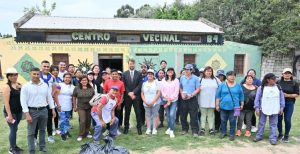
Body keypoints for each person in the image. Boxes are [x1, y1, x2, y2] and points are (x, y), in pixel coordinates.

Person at [21, 67, 56, 154]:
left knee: (43, 130)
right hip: (32, 111)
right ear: (30, 74)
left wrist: (53, 109)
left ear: (39, 74)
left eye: (37, 74)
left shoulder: (44, 85)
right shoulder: (26, 86)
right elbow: (23, 101)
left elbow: (49, 98)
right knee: (31, 132)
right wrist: (27, 113)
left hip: (44, 110)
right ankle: (32, 150)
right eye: (34, 74)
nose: (36, 76)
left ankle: (42, 147)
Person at [253, 73, 285, 145]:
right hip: (263, 108)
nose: (275, 80)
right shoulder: (261, 88)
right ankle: (259, 136)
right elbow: (257, 99)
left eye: (275, 79)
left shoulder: (278, 87)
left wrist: (282, 107)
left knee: (273, 124)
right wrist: (257, 108)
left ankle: (273, 138)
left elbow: (282, 98)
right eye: (273, 79)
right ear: (268, 80)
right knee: (261, 123)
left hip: (275, 108)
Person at [216, 71, 244, 141]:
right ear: (227, 76)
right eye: (230, 75)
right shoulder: (222, 85)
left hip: (235, 107)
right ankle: (223, 132)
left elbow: (241, 95)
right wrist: (217, 105)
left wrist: (242, 104)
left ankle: (232, 134)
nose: (232, 77)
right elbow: (218, 96)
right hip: (223, 106)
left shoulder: (238, 85)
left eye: (234, 75)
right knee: (223, 120)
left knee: (233, 121)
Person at [3, 68, 23, 154]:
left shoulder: (18, 85)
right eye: (11, 75)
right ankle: (12, 149)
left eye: (15, 75)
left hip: (18, 111)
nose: (14, 77)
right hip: (11, 112)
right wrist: (9, 115)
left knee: (15, 129)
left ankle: (14, 146)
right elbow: (6, 103)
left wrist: (21, 87)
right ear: (8, 76)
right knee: (13, 129)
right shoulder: (7, 87)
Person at [277, 68, 299, 142]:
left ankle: (286, 135)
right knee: (279, 119)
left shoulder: (294, 83)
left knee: (287, 119)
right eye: (285, 73)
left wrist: (287, 95)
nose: (287, 74)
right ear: (282, 74)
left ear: (291, 74)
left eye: (288, 73)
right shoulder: (278, 82)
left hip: (289, 103)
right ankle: (280, 134)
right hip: (279, 103)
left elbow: (297, 94)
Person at [198, 66, 221, 136]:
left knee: (211, 115)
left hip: (212, 100)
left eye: (210, 71)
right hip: (202, 100)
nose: (209, 72)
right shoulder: (200, 79)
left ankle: (211, 129)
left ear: (212, 72)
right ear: (204, 72)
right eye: (207, 71)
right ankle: (202, 128)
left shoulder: (216, 79)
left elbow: (221, 88)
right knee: (203, 115)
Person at [122, 59, 143, 135]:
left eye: (133, 64)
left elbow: (140, 85)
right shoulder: (124, 74)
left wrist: (133, 92)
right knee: (127, 113)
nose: (132, 65)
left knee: (138, 112)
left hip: (136, 97)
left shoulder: (139, 74)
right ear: (128, 64)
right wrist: (129, 93)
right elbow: (124, 85)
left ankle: (139, 128)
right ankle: (126, 128)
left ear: (135, 64)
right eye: (130, 64)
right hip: (127, 97)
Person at [38, 60, 56, 144]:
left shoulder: (52, 77)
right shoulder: (37, 76)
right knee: (38, 121)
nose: (46, 68)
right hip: (39, 102)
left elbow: (54, 88)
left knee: (49, 119)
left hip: (48, 102)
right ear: (41, 67)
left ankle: (50, 135)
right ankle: (35, 138)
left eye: (47, 66)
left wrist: (50, 96)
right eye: (44, 66)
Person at [180, 64, 200, 137]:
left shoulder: (196, 78)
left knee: (193, 115)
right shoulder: (182, 78)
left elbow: (198, 89)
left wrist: (191, 95)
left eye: (187, 69)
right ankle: (185, 129)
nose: (186, 71)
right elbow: (181, 87)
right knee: (183, 115)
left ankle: (195, 131)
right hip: (184, 98)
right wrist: (182, 94)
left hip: (192, 99)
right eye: (185, 69)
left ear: (191, 70)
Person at [53, 73, 75, 141]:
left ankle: (66, 131)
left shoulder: (73, 86)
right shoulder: (59, 85)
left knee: (67, 120)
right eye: (66, 77)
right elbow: (55, 95)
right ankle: (63, 134)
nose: (67, 79)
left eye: (69, 77)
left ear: (71, 79)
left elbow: (73, 97)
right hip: (60, 105)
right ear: (63, 78)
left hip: (69, 105)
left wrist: (74, 105)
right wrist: (58, 105)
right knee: (62, 120)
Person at [103, 69, 125, 135]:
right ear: (110, 75)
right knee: (109, 116)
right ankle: (108, 129)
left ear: (118, 75)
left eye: (116, 74)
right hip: (108, 103)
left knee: (117, 116)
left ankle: (116, 129)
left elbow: (122, 94)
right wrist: (105, 101)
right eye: (113, 74)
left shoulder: (121, 83)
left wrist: (120, 103)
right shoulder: (107, 81)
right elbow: (104, 91)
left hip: (117, 103)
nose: (114, 75)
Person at [72, 75, 95, 141]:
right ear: (80, 81)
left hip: (89, 107)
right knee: (82, 120)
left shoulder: (91, 88)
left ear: (87, 81)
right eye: (83, 80)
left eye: (85, 80)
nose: (84, 81)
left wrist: (94, 105)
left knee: (88, 120)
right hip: (80, 107)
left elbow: (94, 97)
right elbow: (74, 97)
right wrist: (74, 106)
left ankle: (87, 133)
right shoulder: (77, 88)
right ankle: (81, 134)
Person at [161, 68, 180, 138]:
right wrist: (167, 98)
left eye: (171, 71)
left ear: (173, 72)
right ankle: (169, 128)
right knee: (168, 116)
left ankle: (171, 131)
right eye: (169, 71)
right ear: (167, 72)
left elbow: (176, 91)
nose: (170, 72)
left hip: (173, 100)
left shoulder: (176, 80)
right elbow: (162, 91)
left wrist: (171, 99)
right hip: (165, 100)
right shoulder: (163, 80)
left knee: (172, 115)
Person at [141, 69, 161, 135]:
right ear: (147, 75)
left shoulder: (156, 82)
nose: (150, 75)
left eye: (151, 74)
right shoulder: (144, 83)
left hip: (155, 102)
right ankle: (148, 128)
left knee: (155, 115)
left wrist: (153, 101)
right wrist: (145, 101)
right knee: (148, 115)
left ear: (153, 75)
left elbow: (158, 93)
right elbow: (142, 93)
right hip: (146, 103)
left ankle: (154, 129)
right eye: (149, 74)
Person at [50, 65, 61, 136]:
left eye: (57, 70)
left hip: (57, 99)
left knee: (56, 115)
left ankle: (56, 128)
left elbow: (59, 88)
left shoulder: (59, 79)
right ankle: (51, 129)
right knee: (51, 115)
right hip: (51, 99)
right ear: (51, 71)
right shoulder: (50, 79)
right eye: (54, 70)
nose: (56, 71)